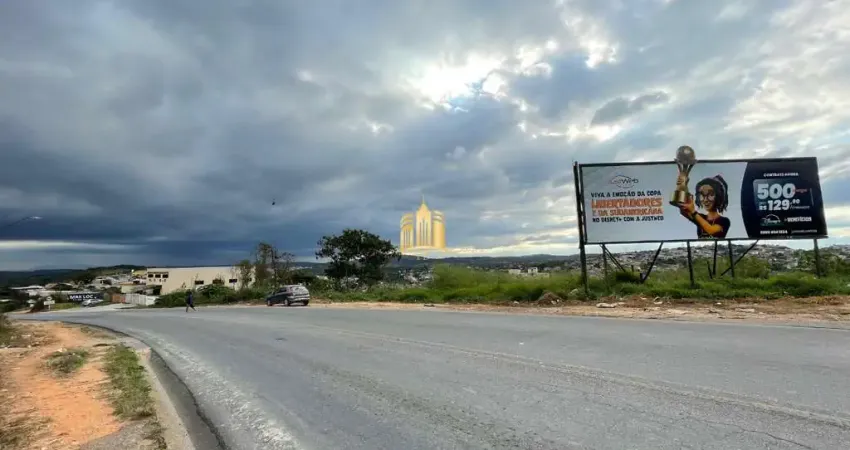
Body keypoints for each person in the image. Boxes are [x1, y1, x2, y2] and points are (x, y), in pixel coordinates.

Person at [679, 175, 731, 239]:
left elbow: (711, 230)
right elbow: (683, 210)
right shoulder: (700, 217)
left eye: (711, 195)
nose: (705, 200)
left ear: (718, 196)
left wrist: (693, 211)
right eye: (702, 195)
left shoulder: (724, 221)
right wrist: (683, 185)